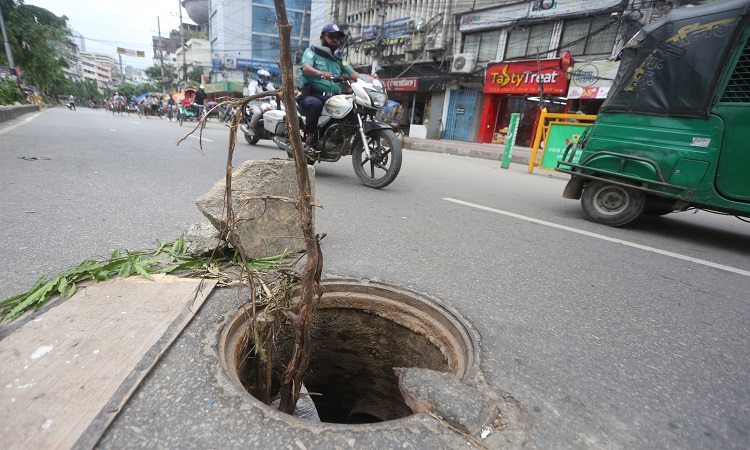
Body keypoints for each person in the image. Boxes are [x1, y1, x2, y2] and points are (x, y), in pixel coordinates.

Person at [297, 24, 359, 152]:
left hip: (330, 97)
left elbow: (352, 73)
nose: (335, 40)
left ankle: (339, 138)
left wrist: (369, 79)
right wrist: (320, 73)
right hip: (309, 95)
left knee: (351, 106)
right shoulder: (312, 51)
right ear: (322, 37)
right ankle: (309, 139)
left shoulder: (339, 58)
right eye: (331, 36)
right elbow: (306, 68)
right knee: (315, 104)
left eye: (337, 37)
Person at [246, 69, 275, 136]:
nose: (265, 79)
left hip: (266, 104)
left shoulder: (269, 86)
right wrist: (257, 98)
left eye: (267, 78)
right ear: (259, 77)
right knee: (258, 113)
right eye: (263, 77)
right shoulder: (253, 84)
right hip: (254, 104)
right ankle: (250, 127)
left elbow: (275, 92)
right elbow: (252, 94)